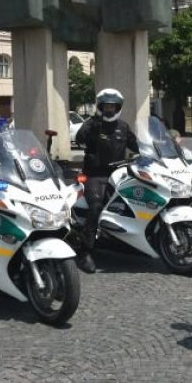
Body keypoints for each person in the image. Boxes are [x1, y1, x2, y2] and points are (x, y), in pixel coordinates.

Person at [74, 88, 138, 274]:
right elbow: (79, 139)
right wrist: (91, 124)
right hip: (96, 175)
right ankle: (85, 252)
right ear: (100, 106)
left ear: (118, 107)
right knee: (95, 206)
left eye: (113, 106)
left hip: (119, 173)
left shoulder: (123, 127)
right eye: (106, 106)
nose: (109, 109)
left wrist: (153, 151)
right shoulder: (93, 124)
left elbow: (138, 145)